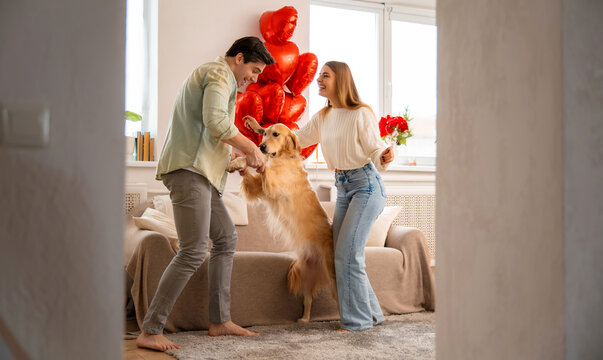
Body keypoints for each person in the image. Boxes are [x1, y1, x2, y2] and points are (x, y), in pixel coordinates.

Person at [135, 36, 275, 351]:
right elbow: (216, 123)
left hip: (199, 172)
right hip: (187, 171)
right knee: (194, 250)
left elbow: (204, 135)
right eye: (253, 70)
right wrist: (252, 147)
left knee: (226, 238)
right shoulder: (218, 73)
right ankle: (150, 329)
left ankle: (220, 321)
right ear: (239, 58)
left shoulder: (220, 79)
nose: (253, 79)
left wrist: (232, 163)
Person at [295, 61, 394, 332]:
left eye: (325, 75)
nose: (319, 80)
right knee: (341, 254)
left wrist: (384, 154)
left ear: (342, 80)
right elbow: (297, 139)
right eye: (319, 77)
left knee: (347, 256)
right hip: (343, 188)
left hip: (366, 186)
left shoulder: (361, 113)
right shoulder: (323, 117)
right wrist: (265, 136)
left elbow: (375, 148)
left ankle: (357, 322)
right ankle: (372, 314)